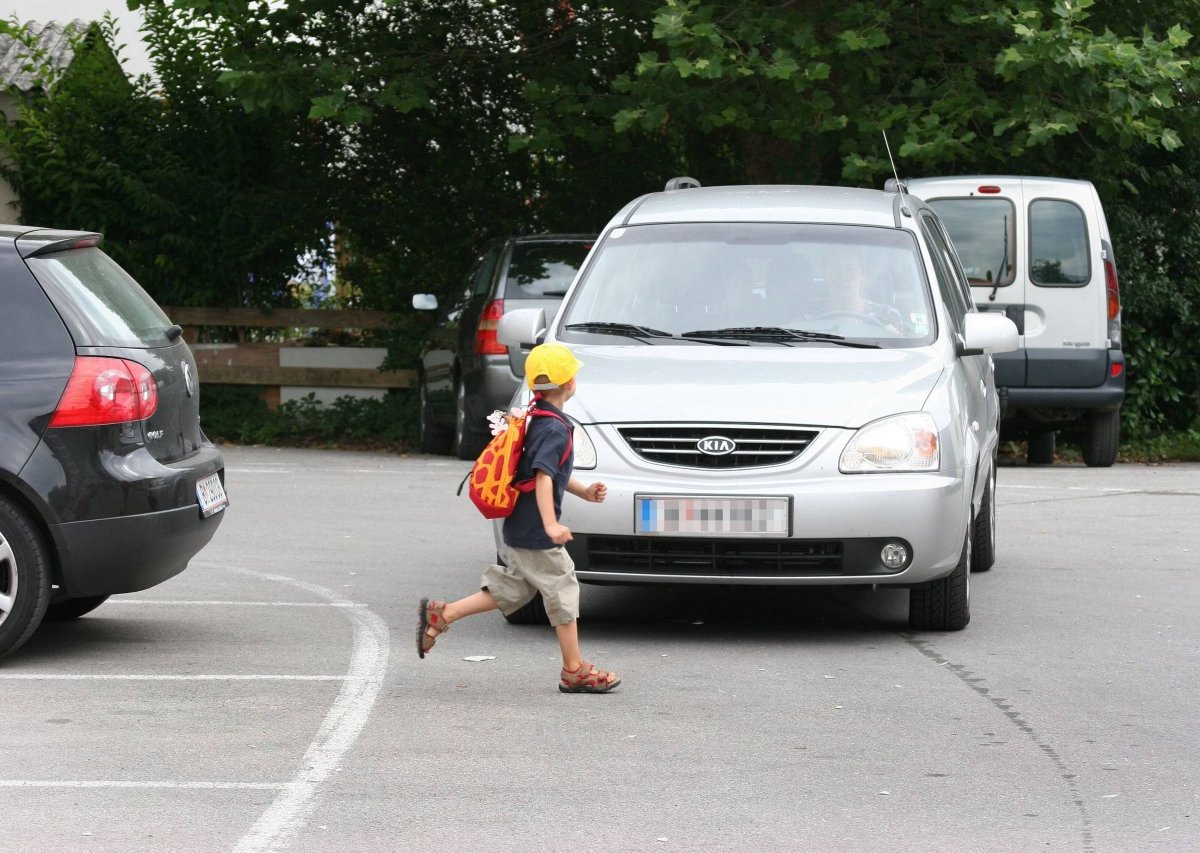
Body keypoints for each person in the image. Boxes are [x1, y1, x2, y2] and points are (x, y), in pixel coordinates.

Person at [416, 342, 621, 694]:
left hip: (520, 525)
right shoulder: (555, 428)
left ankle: (443, 614)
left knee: (515, 587)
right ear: (570, 383)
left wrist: (584, 491)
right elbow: (543, 478)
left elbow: (551, 472)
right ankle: (574, 670)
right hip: (535, 530)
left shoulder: (535, 417)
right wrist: (551, 524)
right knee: (564, 587)